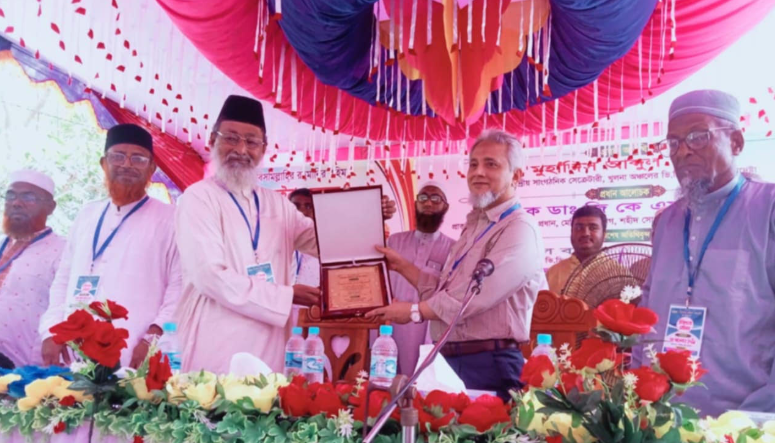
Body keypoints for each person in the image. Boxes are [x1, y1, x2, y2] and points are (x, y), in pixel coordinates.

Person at [174, 95, 396, 374]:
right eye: (231, 138)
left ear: (263, 148)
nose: (241, 149)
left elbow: (325, 241)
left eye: (252, 142)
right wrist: (286, 296)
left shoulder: (276, 203)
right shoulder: (198, 198)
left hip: (269, 340)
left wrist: (369, 217)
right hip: (216, 339)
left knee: (266, 397)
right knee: (214, 399)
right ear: (212, 140)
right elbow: (209, 275)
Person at [366, 129, 546, 399]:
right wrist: (401, 266)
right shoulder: (473, 227)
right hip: (450, 360)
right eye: (473, 164)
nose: (478, 172)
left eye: (491, 164)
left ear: (516, 176)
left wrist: (414, 312)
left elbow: (474, 296)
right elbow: (446, 291)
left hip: (490, 363)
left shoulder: (519, 228)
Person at [641, 89, 775, 415]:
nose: (683, 150)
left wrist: (753, 419)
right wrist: (640, 396)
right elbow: (647, 314)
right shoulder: (666, 222)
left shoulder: (768, 208)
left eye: (698, 137)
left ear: (736, 142)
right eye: (673, 143)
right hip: (662, 418)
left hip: (748, 420)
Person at [39, 124, 181, 368]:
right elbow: (63, 278)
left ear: (152, 168)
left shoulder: (171, 219)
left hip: (134, 352)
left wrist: (154, 338)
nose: (127, 164)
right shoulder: (87, 214)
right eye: (118, 156)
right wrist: (52, 329)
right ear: (103, 164)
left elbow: (179, 288)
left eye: (138, 158)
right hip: (73, 351)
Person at [375, 181, 455, 375]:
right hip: (391, 323)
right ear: (415, 204)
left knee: (421, 378)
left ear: (445, 207)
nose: (428, 203)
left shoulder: (454, 248)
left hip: (427, 325)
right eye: (423, 197)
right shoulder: (394, 241)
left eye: (435, 198)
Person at [0, 170, 65, 367]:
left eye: (29, 197)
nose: (16, 203)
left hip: (24, 366)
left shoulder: (64, 250)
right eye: (11, 195)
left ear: (50, 207)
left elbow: (66, 305)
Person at [545, 206, 607, 294]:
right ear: (571, 232)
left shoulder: (620, 273)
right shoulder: (552, 274)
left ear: (604, 235)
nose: (585, 233)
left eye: (593, 228)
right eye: (579, 228)